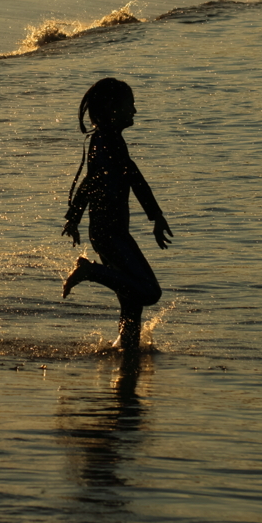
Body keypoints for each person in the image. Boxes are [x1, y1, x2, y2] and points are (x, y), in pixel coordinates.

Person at [61, 77, 173, 352]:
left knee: (132, 299)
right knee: (149, 291)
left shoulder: (109, 140)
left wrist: (73, 218)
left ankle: (128, 350)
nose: (135, 111)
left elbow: (115, 179)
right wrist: (155, 216)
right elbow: (117, 179)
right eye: (130, 105)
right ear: (113, 108)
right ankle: (90, 271)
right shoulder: (107, 141)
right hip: (110, 233)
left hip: (109, 231)